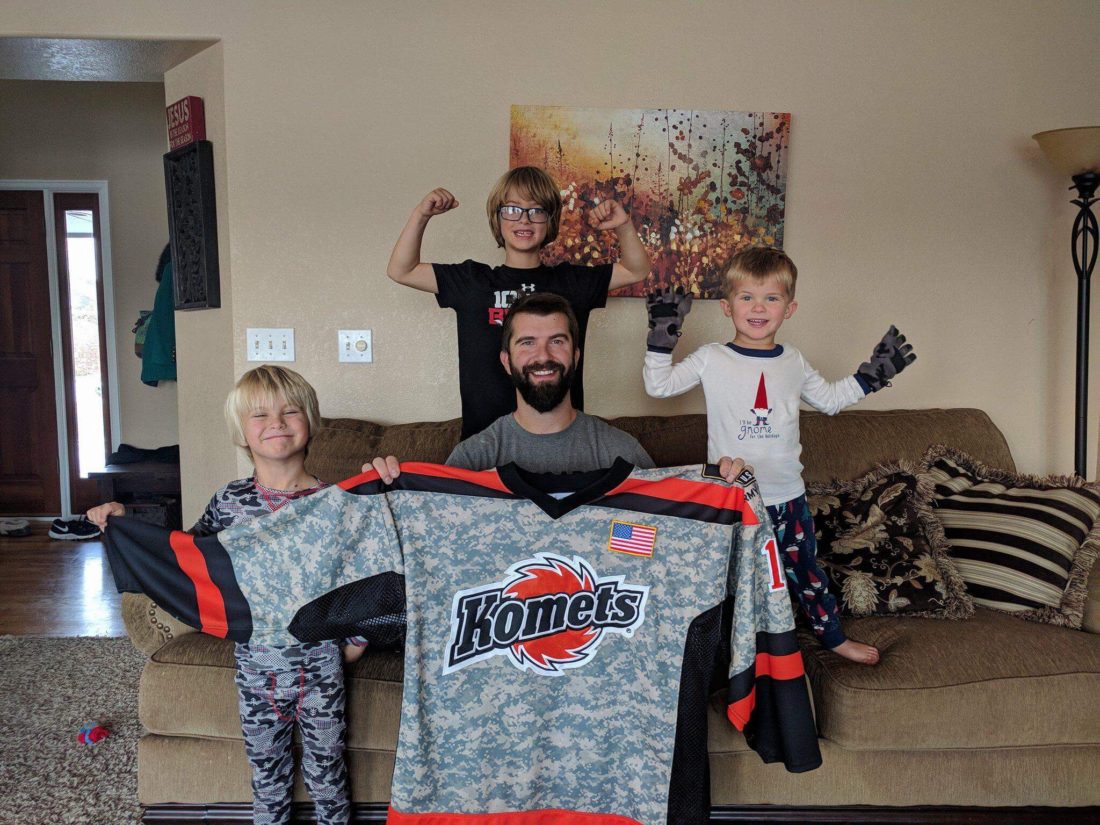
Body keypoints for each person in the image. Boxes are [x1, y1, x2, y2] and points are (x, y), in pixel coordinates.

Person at [88, 365, 354, 825]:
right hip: (255, 669)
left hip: (322, 668)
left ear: (310, 421)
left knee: (328, 774)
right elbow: (185, 555)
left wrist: (357, 643)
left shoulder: (338, 502)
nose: (276, 422)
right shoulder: (229, 501)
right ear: (241, 431)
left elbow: (365, 579)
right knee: (267, 776)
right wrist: (125, 521)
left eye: (290, 411)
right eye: (260, 415)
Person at [643, 246, 916, 665]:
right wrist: (661, 338)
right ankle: (718, 653)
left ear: (789, 309)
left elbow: (829, 400)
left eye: (771, 298)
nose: (758, 307)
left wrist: (871, 377)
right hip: (732, 499)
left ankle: (833, 637)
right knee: (723, 579)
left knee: (806, 573)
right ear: (726, 306)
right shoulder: (711, 357)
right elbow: (659, 387)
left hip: (787, 497)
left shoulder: (793, 361)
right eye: (747, 297)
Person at [368, 291, 747, 485]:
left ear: (575, 356)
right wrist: (388, 490)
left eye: (557, 342)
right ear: (506, 361)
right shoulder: (474, 457)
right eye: (527, 343)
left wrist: (719, 485)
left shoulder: (620, 451)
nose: (543, 356)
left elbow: (657, 535)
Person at [386, 165, 651, 439]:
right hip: (485, 443)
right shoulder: (472, 282)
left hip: (560, 440)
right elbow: (401, 270)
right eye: (512, 209)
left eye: (536, 211)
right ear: (497, 218)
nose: (524, 220)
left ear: (550, 220)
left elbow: (636, 270)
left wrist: (623, 226)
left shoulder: (571, 282)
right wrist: (421, 215)